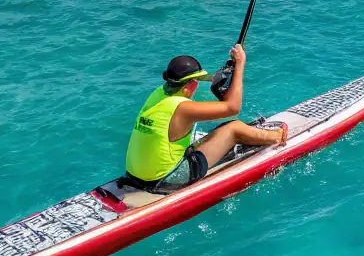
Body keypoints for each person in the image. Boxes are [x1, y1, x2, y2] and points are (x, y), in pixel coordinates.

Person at [123, 48, 288, 192]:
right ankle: (277, 137)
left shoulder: (158, 94)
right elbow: (233, 107)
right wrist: (240, 64)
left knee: (205, 137)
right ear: (189, 86)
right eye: (196, 81)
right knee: (234, 128)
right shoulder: (183, 108)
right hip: (164, 181)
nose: (197, 84)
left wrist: (227, 70)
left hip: (135, 176)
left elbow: (202, 82)